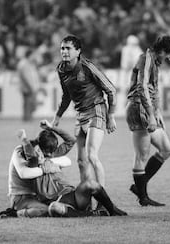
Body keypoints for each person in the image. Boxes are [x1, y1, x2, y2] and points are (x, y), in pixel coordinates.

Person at [0, 120, 127, 218]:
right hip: (59, 201)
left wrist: (52, 128)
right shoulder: (33, 162)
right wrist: (24, 139)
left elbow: (70, 141)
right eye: (46, 152)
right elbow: (30, 159)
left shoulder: (52, 156)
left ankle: (112, 209)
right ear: (38, 148)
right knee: (54, 208)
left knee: (91, 183)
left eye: (50, 153)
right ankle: (91, 214)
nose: (48, 155)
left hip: (72, 195)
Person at [51, 35, 117, 197]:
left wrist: (111, 115)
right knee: (81, 161)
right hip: (80, 115)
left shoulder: (87, 67)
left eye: (68, 48)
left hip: (96, 110)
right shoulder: (61, 69)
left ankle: (103, 202)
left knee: (92, 156)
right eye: (62, 48)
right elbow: (67, 96)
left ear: (78, 51)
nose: (64, 51)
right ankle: (86, 199)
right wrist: (57, 117)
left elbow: (111, 90)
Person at [125, 35, 170, 206]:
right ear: (163, 51)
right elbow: (142, 87)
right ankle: (143, 197)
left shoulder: (154, 61)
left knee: (166, 149)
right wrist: (150, 114)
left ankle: (139, 187)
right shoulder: (146, 59)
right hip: (139, 108)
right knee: (142, 155)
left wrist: (157, 113)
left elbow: (153, 89)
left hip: (147, 110)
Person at [16, 50, 41, 121]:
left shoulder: (28, 63)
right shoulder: (24, 64)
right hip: (27, 87)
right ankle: (27, 118)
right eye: (33, 55)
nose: (34, 57)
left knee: (29, 103)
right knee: (28, 103)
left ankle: (27, 117)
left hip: (29, 87)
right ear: (29, 55)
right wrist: (31, 87)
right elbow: (26, 77)